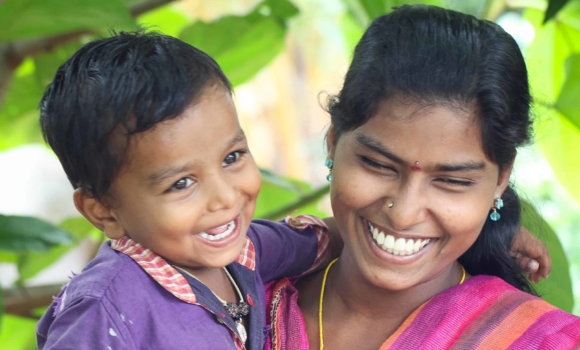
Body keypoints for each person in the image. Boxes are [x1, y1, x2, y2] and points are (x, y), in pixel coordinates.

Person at [265, 5, 580, 350]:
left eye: (453, 182)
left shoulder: (548, 342)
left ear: (501, 179)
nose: (403, 213)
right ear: (334, 141)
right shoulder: (233, 300)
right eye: (379, 165)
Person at [35, 32, 337, 350]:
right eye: (181, 183)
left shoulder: (246, 252)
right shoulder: (104, 310)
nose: (226, 197)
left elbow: (330, 238)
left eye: (231, 158)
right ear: (104, 211)